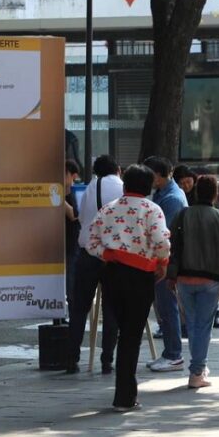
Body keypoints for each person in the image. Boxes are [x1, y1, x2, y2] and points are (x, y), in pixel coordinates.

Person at [86, 164, 171, 412]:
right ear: (149, 186)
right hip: (140, 275)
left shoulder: (108, 209)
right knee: (131, 337)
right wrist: (162, 262)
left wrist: (108, 254)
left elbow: (90, 243)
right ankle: (125, 396)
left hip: (111, 274)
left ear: (125, 185)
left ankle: (123, 393)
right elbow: (161, 242)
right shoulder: (151, 209)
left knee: (122, 328)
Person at [167, 175, 219, 388]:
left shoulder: (182, 215)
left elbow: (173, 247)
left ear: (196, 192)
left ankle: (198, 368)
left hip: (184, 278)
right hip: (212, 279)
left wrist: (172, 275)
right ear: (216, 194)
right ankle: (197, 371)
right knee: (203, 325)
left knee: (192, 323)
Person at [67, 154, 123, 375]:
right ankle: (107, 360)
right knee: (111, 309)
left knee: (79, 308)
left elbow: (81, 216)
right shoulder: (122, 186)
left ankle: (72, 358)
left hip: (88, 253)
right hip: (112, 256)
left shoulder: (91, 187)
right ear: (117, 169)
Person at [143, 156, 188, 372]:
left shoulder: (172, 199)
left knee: (167, 307)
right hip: (162, 259)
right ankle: (169, 352)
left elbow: (164, 235)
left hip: (165, 261)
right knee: (163, 307)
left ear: (158, 175)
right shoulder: (163, 194)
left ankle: (173, 354)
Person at [64, 159, 81, 319]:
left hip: (72, 246)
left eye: (64, 174)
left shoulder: (78, 193)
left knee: (71, 286)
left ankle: (74, 319)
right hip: (58, 246)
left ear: (73, 176)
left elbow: (74, 215)